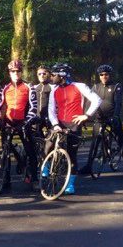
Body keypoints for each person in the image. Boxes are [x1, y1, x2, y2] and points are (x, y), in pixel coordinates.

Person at [45, 63, 101, 194]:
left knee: (71, 154)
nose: (51, 77)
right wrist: (55, 124)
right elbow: (51, 110)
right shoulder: (54, 90)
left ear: (62, 75)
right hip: (59, 123)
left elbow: (96, 100)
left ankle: (70, 183)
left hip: (74, 124)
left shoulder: (79, 86)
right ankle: (46, 168)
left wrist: (86, 115)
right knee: (48, 145)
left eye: (53, 75)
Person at [78, 65, 123, 177]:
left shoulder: (116, 86)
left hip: (112, 118)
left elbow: (118, 103)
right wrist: (86, 116)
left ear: (110, 75)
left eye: (106, 74)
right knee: (94, 143)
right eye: (101, 75)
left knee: (120, 140)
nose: (104, 76)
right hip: (99, 119)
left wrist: (116, 116)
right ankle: (89, 166)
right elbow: (89, 102)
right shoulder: (96, 87)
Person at [0, 59, 39, 190]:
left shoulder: (29, 87)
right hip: (8, 122)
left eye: (18, 71)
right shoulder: (5, 88)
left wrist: (26, 122)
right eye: (13, 71)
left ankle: (34, 178)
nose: (16, 73)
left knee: (31, 151)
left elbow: (33, 108)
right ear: (9, 72)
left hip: (24, 122)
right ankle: (6, 179)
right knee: (5, 152)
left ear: (21, 72)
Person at [32, 65, 54, 137]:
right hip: (37, 117)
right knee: (36, 140)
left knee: (51, 140)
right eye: (39, 74)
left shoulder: (53, 87)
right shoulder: (34, 88)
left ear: (49, 74)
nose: (42, 75)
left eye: (44, 73)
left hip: (50, 117)